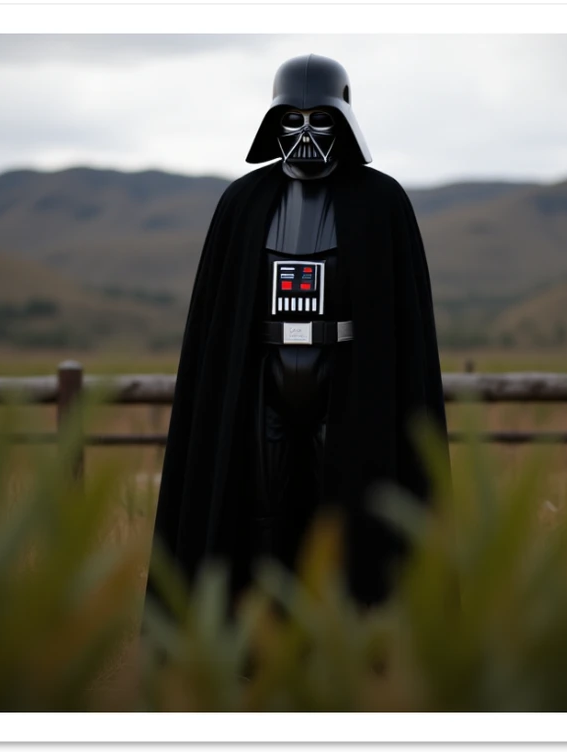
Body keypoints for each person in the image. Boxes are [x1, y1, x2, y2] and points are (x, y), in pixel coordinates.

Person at [145, 53, 449, 618]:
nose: (305, 133)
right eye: (293, 119)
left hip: (348, 384)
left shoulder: (381, 203)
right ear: (272, 122)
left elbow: (401, 324)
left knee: (344, 509)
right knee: (264, 509)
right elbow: (220, 319)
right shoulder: (242, 203)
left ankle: (340, 633)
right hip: (265, 382)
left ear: (346, 121)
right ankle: (265, 631)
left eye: (321, 119)